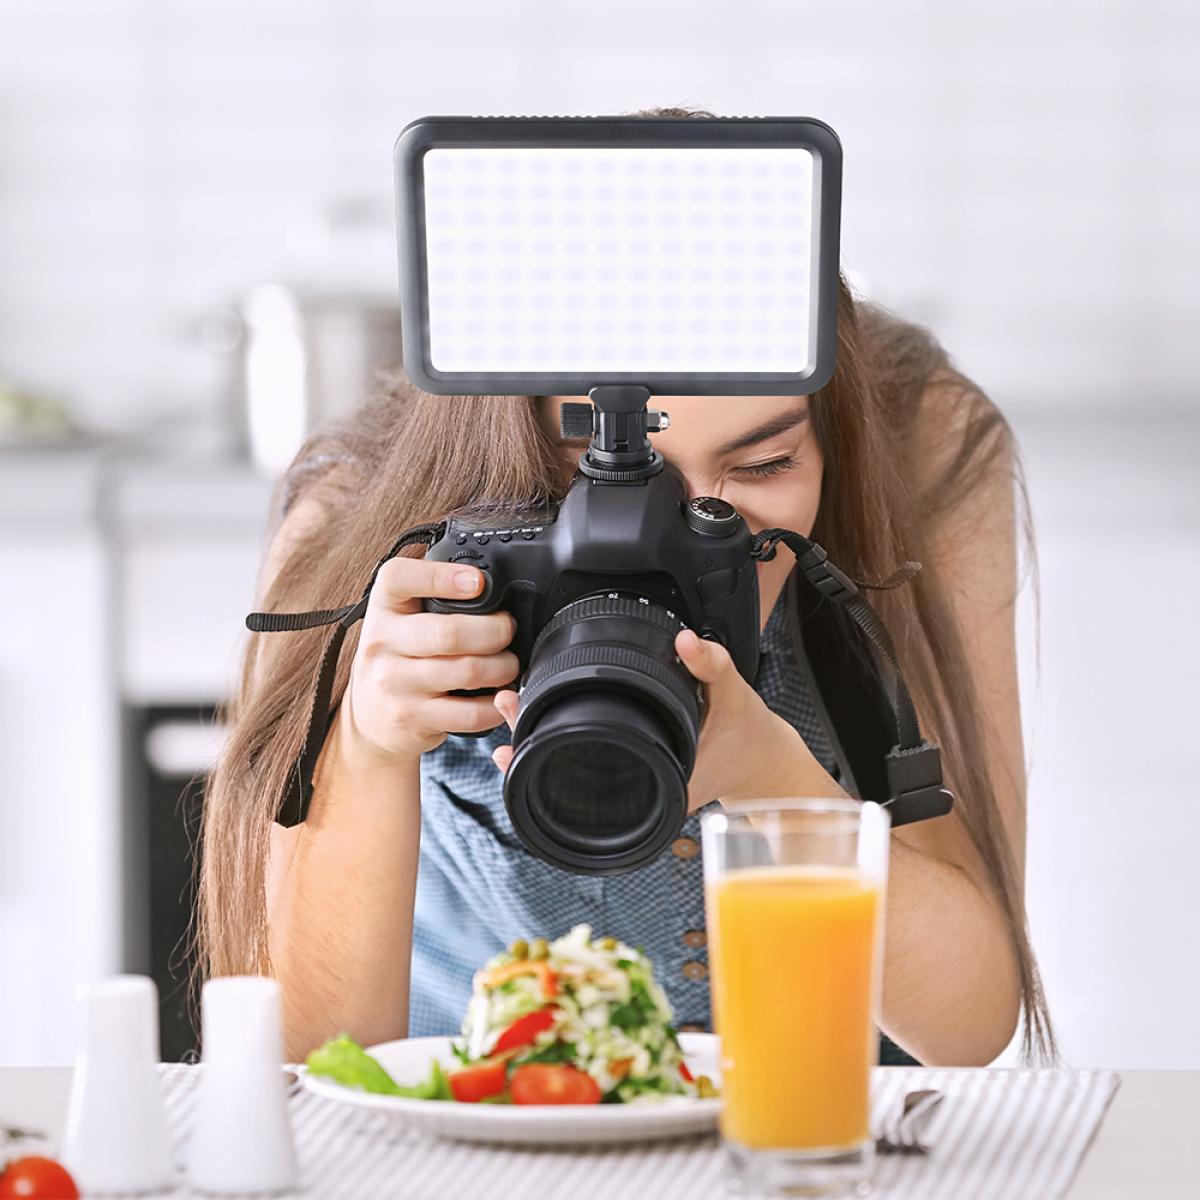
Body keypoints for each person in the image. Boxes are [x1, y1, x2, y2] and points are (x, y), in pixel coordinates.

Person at [194, 264, 1054, 1067]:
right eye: (599, 477)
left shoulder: (919, 452)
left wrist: (778, 784)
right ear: (511, 451)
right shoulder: (358, 513)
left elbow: (971, 1022)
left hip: (813, 1137)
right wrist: (369, 747)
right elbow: (309, 1068)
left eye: (763, 466)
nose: (670, 530)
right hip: (475, 1131)